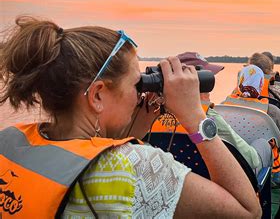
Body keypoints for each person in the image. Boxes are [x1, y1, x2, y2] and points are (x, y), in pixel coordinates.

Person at [0, 16, 261, 218]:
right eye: (137, 85)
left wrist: (132, 131)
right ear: (98, 96)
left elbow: (86, 155)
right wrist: (194, 115)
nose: (140, 95)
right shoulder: (134, 165)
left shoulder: (12, 143)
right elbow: (247, 211)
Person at [176, 52, 272, 172]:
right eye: (207, 81)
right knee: (262, 145)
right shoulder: (210, 118)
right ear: (194, 84)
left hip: (184, 174)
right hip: (219, 179)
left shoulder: (159, 114)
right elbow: (252, 159)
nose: (210, 88)